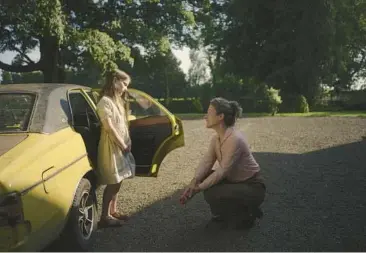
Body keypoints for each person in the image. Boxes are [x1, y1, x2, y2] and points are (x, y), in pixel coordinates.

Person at [180, 97, 266, 229]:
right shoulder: (216, 139)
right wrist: (194, 181)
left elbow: (222, 171)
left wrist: (199, 188)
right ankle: (227, 213)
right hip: (235, 181)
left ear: (220, 116)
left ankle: (247, 212)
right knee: (205, 179)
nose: (205, 116)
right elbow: (207, 161)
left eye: (209, 112)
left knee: (211, 190)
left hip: (252, 186)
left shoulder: (235, 139)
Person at [96, 69, 133, 227]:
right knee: (113, 181)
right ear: (115, 81)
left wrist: (128, 140)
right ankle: (105, 217)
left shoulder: (117, 101)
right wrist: (123, 144)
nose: (125, 88)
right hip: (112, 145)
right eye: (124, 84)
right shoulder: (104, 101)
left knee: (120, 180)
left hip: (121, 144)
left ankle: (113, 210)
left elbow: (123, 124)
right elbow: (109, 128)